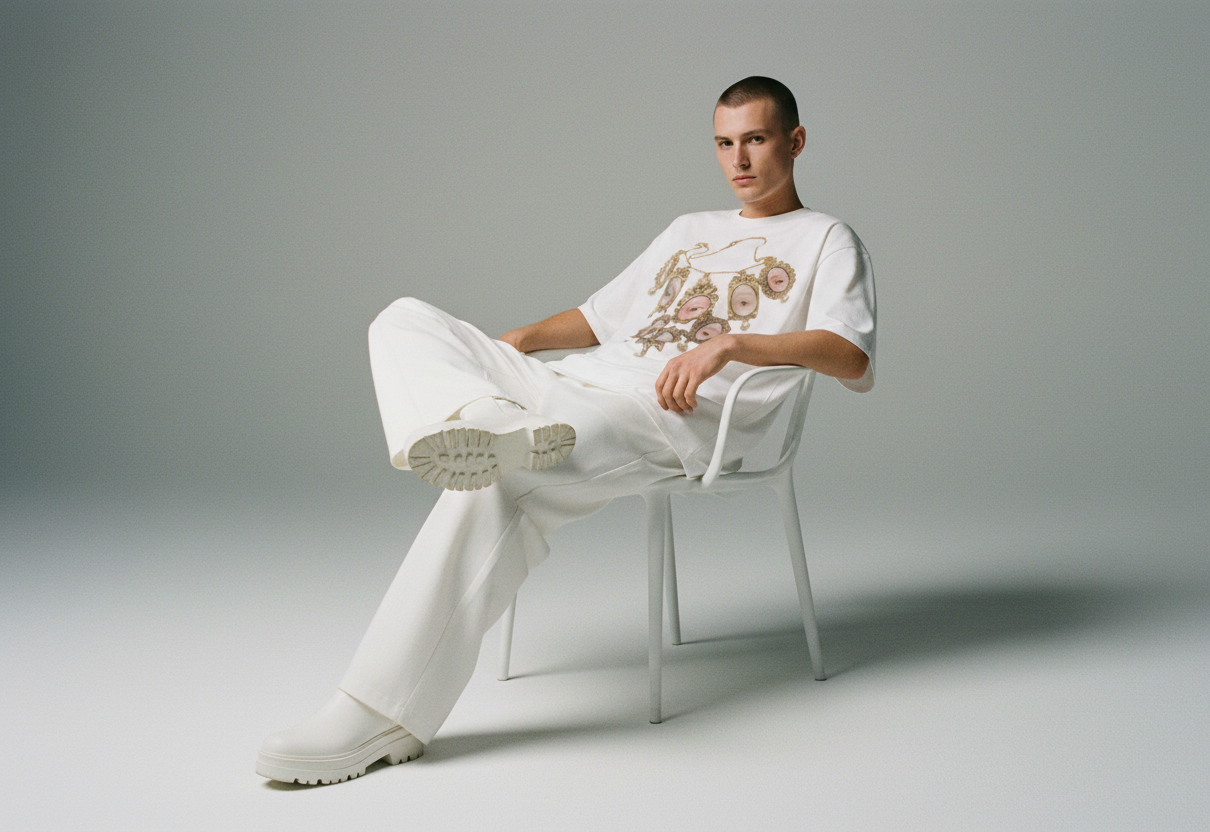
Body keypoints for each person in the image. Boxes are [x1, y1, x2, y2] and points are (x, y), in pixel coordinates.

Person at [256, 76, 877, 785]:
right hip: (581, 381)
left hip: (666, 417)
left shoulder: (827, 239)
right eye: (724, 144)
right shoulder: (687, 230)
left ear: (794, 142)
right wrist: (523, 337)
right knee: (404, 319)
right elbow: (601, 318)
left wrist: (728, 347)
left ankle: (376, 712)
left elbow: (851, 357)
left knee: (501, 484)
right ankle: (490, 424)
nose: (739, 161)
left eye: (756, 140)